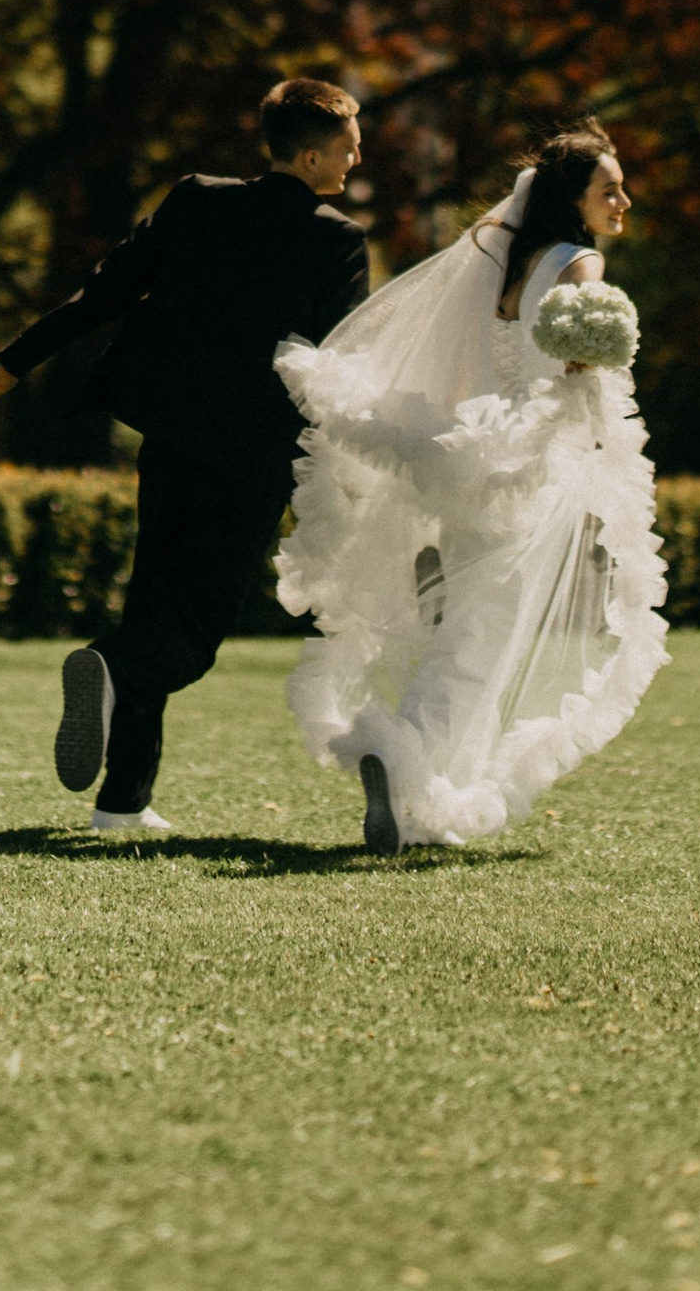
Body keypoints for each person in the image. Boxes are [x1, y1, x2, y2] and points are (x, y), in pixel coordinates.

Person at [0, 78, 370, 836]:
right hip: (250, 458)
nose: (357, 158)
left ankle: (122, 802)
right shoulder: (336, 239)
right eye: (349, 146)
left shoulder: (196, 199)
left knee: (153, 600)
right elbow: (336, 361)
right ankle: (113, 669)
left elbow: (104, 293)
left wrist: (15, 361)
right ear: (312, 154)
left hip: (170, 438)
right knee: (189, 636)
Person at [274, 120, 668, 853]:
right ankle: (400, 762)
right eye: (609, 190)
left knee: (473, 628)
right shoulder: (581, 266)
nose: (624, 201)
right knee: (483, 638)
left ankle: (428, 801)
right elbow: (583, 368)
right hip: (531, 472)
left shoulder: (507, 264)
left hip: (477, 462)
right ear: (574, 200)